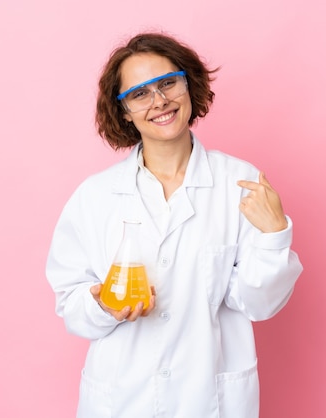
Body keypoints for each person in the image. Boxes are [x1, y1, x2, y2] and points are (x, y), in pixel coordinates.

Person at [46, 32, 303, 418]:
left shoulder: (240, 182)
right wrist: (101, 304)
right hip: (121, 400)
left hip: (208, 399)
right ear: (124, 112)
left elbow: (259, 304)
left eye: (168, 83)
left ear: (189, 84)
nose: (159, 101)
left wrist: (273, 235)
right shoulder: (95, 196)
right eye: (139, 94)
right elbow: (71, 304)